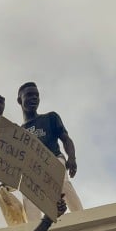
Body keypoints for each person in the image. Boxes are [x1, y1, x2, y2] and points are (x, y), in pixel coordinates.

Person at [17, 81, 83, 212]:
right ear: (20, 100)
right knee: (27, 192)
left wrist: (72, 157)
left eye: (37, 95)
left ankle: (80, 216)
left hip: (54, 158)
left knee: (61, 183)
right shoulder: (18, 132)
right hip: (32, 167)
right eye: (29, 95)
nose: (34, 98)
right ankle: (33, 228)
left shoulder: (50, 117)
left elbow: (66, 139)